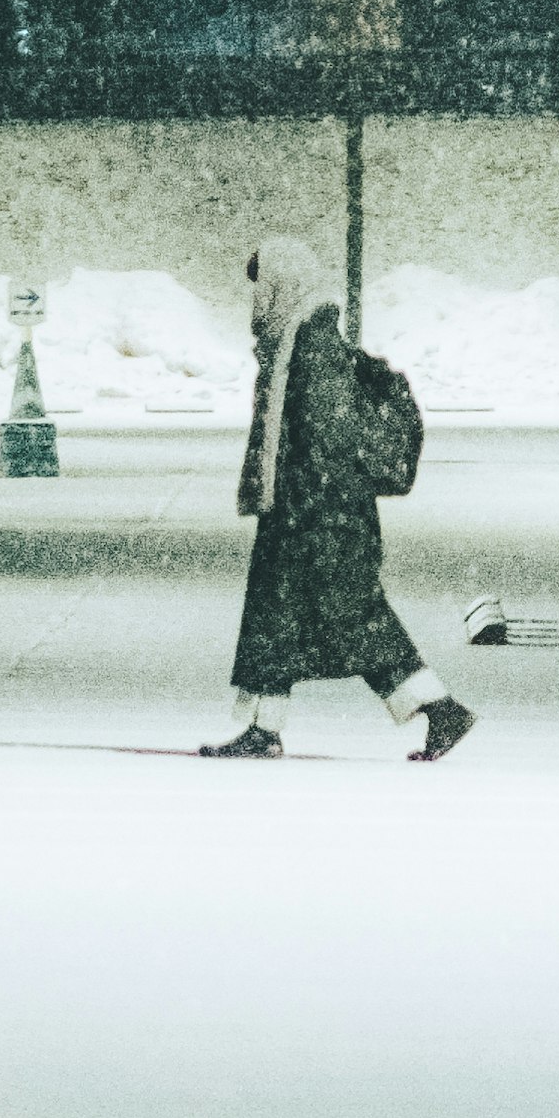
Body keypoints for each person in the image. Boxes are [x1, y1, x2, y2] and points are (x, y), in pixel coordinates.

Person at [207, 235, 473, 762]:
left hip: (321, 516)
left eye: (264, 287)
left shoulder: (313, 348)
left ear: (285, 286)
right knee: (279, 618)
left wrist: (305, 508)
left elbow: (329, 439)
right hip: (303, 511)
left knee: (348, 616)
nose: (258, 300)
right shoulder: (296, 346)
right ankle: (264, 727)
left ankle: (441, 709)